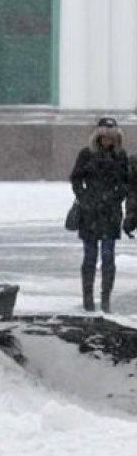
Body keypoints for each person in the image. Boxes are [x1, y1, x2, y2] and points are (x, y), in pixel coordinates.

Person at [70, 117, 129, 313]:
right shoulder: (86, 155)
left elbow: (126, 183)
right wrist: (85, 197)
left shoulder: (121, 157)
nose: (108, 141)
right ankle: (88, 299)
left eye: (112, 137)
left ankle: (105, 300)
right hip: (90, 213)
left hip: (110, 213)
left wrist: (113, 197)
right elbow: (76, 178)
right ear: (98, 137)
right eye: (105, 137)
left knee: (108, 256)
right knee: (90, 257)